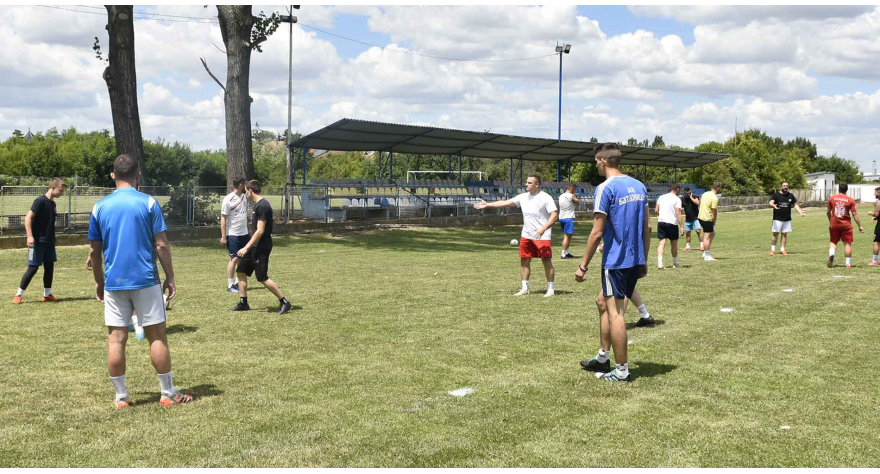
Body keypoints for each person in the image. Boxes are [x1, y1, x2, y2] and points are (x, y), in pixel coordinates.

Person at [87, 154, 192, 408]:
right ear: (138, 176)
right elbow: (162, 244)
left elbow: (94, 252)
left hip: (114, 282)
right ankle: (167, 393)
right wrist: (170, 276)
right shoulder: (149, 203)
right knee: (156, 336)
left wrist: (100, 282)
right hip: (146, 279)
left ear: (113, 176)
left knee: (116, 339)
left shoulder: (99, 207)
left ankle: (121, 397)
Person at [576, 143, 650, 382]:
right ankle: (602, 357)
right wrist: (644, 259)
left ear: (602, 161)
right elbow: (647, 227)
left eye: (596, 161)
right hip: (634, 259)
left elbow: (597, 232)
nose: (596, 165)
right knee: (602, 302)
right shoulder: (639, 186)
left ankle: (621, 371)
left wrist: (583, 265)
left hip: (616, 260)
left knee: (616, 313)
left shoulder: (605, 188)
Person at [475, 175, 558, 297]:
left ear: (537, 185)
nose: (526, 184)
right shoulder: (523, 197)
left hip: (542, 236)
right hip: (526, 235)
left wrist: (543, 229)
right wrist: (488, 205)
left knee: (546, 260)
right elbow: (506, 203)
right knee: (524, 260)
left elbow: (554, 215)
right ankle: (524, 287)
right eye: (526, 182)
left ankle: (551, 289)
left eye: (529, 182)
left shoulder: (546, 198)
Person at [229, 180, 293, 314]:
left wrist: (246, 247)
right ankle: (243, 303)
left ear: (250, 191)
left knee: (262, 277)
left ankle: (284, 302)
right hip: (253, 246)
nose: (245, 194)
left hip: (261, 247)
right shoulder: (257, 205)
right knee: (241, 271)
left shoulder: (263, 206)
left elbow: (260, 231)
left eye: (246, 191)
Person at [12, 178, 66, 304]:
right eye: (60, 190)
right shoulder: (40, 201)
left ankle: (47, 295)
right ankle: (18, 294)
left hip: (49, 242)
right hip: (38, 242)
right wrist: (30, 236)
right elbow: (28, 218)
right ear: (52, 188)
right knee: (33, 268)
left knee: (49, 267)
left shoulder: (52, 204)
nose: (61, 193)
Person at [220, 178, 250, 292]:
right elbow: (223, 218)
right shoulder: (228, 199)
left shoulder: (244, 197)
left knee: (243, 258)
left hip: (244, 234)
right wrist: (223, 236)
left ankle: (238, 282)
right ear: (241, 185)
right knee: (234, 258)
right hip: (233, 234)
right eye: (245, 186)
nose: (247, 188)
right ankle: (230, 284)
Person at [826, 183, 864, 269]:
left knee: (833, 242)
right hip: (846, 225)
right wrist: (860, 225)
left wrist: (831, 220)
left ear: (838, 189)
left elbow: (828, 212)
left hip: (834, 225)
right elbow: (854, 214)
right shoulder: (850, 200)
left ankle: (831, 255)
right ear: (847, 189)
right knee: (847, 243)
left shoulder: (832, 198)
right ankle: (848, 264)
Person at [769, 182, 806, 255]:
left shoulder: (790, 195)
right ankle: (772, 250)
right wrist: (773, 205)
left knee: (784, 234)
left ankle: (782, 250)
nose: (785, 187)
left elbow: (795, 204)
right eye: (784, 186)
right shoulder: (776, 194)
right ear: (781, 187)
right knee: (775, 234)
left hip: (787, 219)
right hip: (777, 218)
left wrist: (800, 212)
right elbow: (771, 202)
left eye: (787, 186)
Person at [655, 183, 685, 269]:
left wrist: (662, 215)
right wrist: (682, 226)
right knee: (674, 244)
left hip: (661, 222)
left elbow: (656, 210)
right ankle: (675, 263)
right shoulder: (677, 199)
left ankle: (660, 263)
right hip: (672, 223)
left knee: (662, 244)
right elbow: (678, 213)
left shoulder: (661, 197)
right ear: (678, 189)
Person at [698, 182, 722, 262]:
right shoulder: (714, 198)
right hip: (707, 218)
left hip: (700, 217)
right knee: (707, 237)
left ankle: (706, 252)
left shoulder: (705, 194)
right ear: (718, 188)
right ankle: (707, 255)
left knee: (712, 233)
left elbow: (701, 203)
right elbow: (714, 212)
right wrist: (714, 222)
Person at [558, 183, 580, 259]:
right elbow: (578, 202)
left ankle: (567, 252)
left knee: (568, 236)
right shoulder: (571, 195)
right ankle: (563, 254)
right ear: (572, 189)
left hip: (561, 217)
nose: (575, 191)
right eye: (575, 189)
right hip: (568, 218)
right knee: (567, 237)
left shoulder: (561, 195)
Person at [681, 187, 703, 251]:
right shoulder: (682, 199)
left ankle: (702, 246)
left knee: (698, 231)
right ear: (684, 193)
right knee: (688, 232)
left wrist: (691, 198)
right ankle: (688, 246)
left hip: (696, 218)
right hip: (688, 218)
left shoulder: (694, 196)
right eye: (687, 193)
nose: (689, 194)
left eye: (690, 193)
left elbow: (698, 203)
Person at [868, 187, 880, 266]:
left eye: (875, 192)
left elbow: (877, 213)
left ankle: (874, 261)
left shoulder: (878, 201)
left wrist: (872, 213)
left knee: (876, 242)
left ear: (879, 192)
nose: (874, 194)